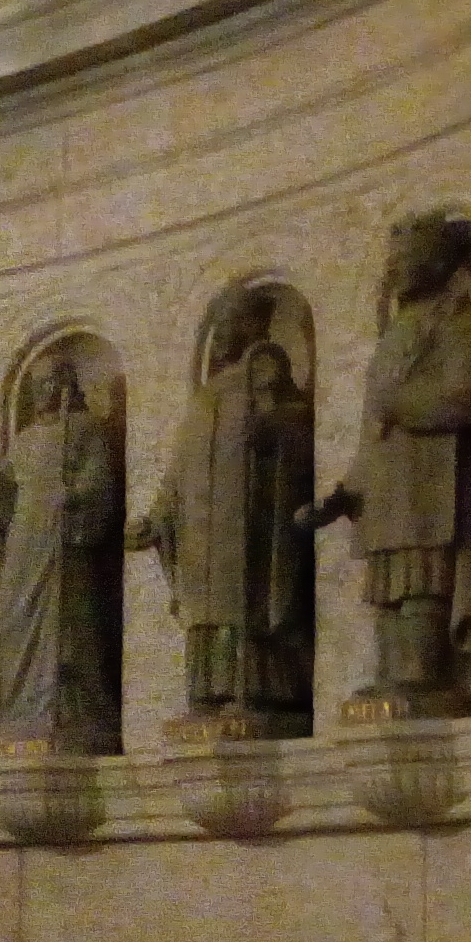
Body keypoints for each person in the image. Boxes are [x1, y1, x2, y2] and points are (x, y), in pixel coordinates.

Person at [304, 214, 471, 708]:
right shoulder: (396, 330)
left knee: (422, 579)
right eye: (393, 260)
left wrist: (402, 404)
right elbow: (373, 433)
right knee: (387, 586)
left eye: (406, 259)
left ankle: (422, 674)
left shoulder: (461, 319)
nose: (394, 269)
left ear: (438, 261)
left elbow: (468, 396)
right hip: (387, 488)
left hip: (431, 481)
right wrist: (343, 495)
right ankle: (394, 672)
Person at [128, 292, 317, 729]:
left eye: (231, 323)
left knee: (244, 604)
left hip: (251, 525)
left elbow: (299, 430)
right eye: (219, 326)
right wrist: (157, 518)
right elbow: (180, 472)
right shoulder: (205, 398)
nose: (222, 335)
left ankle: (259, 692)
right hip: (202, 533)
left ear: (253, 326)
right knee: (206, 611)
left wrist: (270, 430)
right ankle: (208, 693)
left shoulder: (265, 381)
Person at [0, 354, 122, 754]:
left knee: (69, 628)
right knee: (17, 626)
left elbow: (101, 482)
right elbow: (1, 503)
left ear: (67, 384)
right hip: (24, 549)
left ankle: (74, 713)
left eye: (51, 382)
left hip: (64, 546)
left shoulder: (84, 429)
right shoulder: (26, 440)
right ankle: (23, 710)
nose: (44, 391)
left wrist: (74, 495)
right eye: (37, 385)